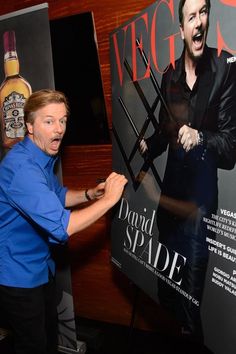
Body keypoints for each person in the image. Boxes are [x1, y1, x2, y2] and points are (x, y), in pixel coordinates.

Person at [0, 89, 127, 354]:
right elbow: (63, 226)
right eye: (49, 121)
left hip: (40, 266)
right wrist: (108, 201)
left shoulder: (41, 155)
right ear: (29, 126)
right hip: (17, 275)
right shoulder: (21, 168)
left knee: (47, 337)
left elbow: (56, 195)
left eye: (63, 120)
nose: (59, 129)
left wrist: (90, 194)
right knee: (32, 345)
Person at [140, 0, 236, 343]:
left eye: (204, 12)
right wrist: (150, 145)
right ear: (181, 28)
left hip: (198, 208)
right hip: (169, 204)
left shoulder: (225, 68)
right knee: (166, 294)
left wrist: (201, 137)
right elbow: (168, 129)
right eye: (191, 15)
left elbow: (230, 146)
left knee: (188, 309)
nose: (199, 22)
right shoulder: (169, 75)